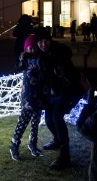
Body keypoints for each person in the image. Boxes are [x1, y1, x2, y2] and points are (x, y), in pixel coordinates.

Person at [34, 26, 86, 170]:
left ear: (50, 40)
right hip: (58, 90)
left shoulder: (58, 54)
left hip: (71, 89)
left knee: (57, 116)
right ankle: (57, 140)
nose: (43, 44)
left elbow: (66, 75)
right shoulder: (42, 55)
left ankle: (65, 157)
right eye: (40, 41)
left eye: (46, 40)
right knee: (49, 117)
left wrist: (59, 72)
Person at [10, 34, 50, 161]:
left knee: (35, 122)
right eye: (29, 48)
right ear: (26, 49)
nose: (32, 50)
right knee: (23, 121)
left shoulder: (41, 58)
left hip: (39, 96)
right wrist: (22, 58)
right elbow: (20, 68)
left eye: (34, 48)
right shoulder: (25, 59)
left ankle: (32, 144)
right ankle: (14, 145)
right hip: (28, 97)